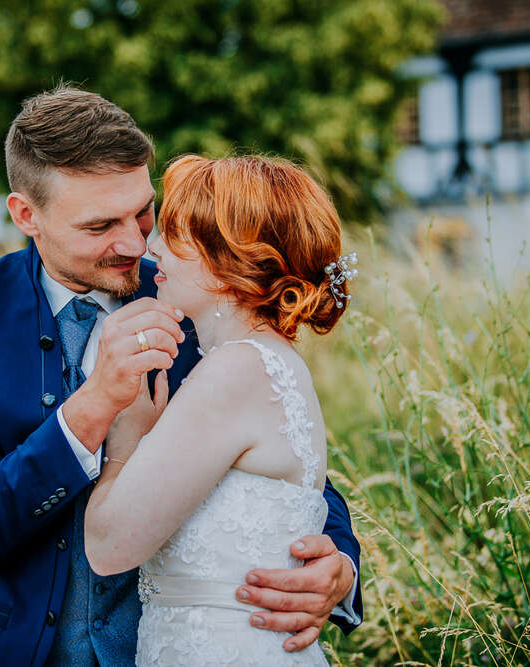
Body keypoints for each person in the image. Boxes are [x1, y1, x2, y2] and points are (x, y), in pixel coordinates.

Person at [0, 86, 361, 667]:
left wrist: (338, 568)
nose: (135, 243)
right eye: (100, 225)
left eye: (143, 212)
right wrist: (93, 406)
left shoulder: (203, 292)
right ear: (27, 215)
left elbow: (292, 464)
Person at [84, 154, 357, 664]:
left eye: (176, 234)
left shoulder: (234, 372)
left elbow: (108, 546)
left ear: (229, 260)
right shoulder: (270, 363)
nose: (153, 247)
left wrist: (127, 440)